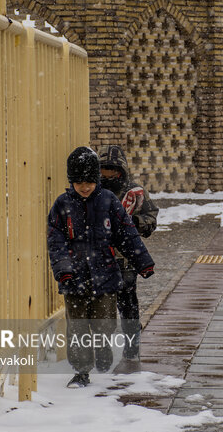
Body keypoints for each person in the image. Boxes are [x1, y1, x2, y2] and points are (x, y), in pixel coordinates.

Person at [47, 146, 155, 388]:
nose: (84, 187)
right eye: (78, 182)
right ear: (71, 181)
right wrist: (64, 270)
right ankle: (82, 371)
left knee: (104, 322)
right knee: (77, 328)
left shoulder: (108, 202)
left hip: (106, 276)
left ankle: (104, 345)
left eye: (89, 181)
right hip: (73, 279)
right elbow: (56, 242)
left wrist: (142, 262)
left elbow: (126, 234)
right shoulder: (62, 205)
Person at [97, 145, 158, 369]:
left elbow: (151, 219)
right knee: (102, 310)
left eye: (113, 171)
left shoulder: (135, 192)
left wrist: (133, 224)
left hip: (126, 262)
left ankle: (131, 350)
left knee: (128, 308)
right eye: (104, 171)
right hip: (100, 261)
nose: (108, 176)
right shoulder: (94, 191)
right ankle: (102, 353)